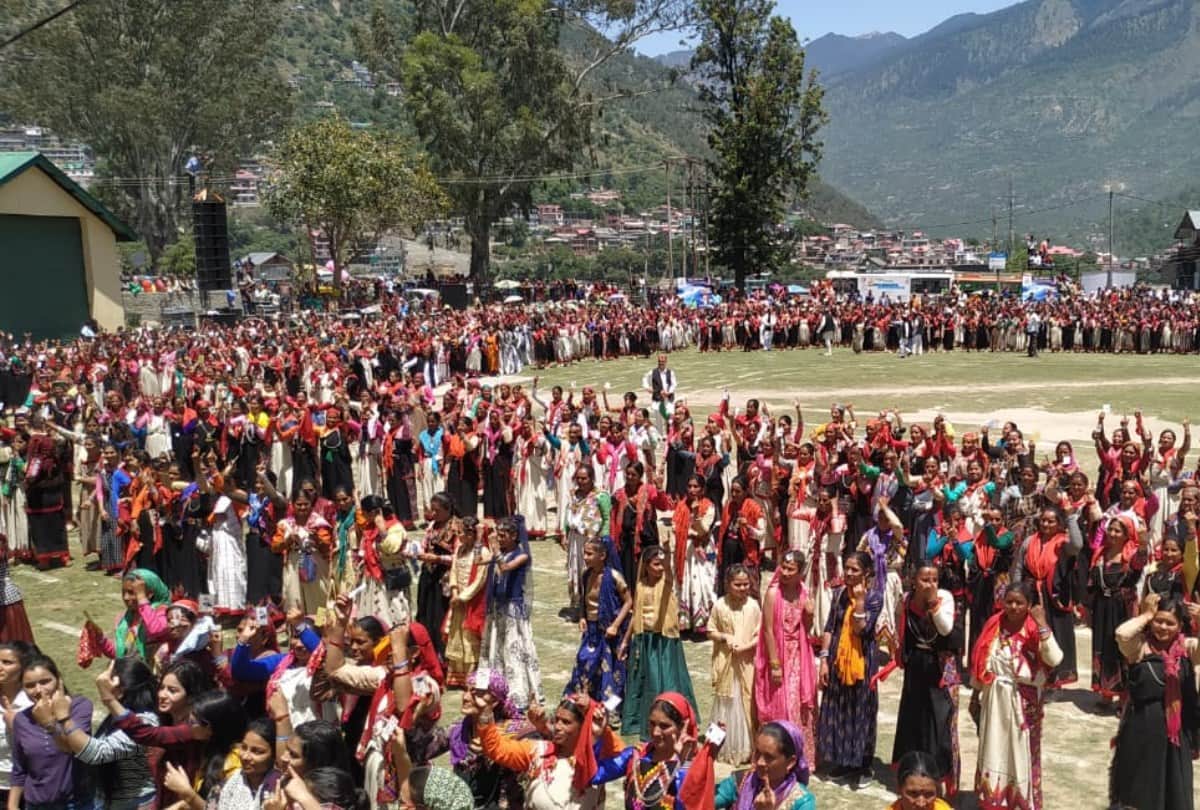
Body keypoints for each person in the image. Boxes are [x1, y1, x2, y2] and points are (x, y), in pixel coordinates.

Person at [970, 581, 1061, 810]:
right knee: (993, 746)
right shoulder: (993, 625)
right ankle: (994, 799)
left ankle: (1021, 800)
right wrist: (975, 695)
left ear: (1029, 605)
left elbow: (1054, 658)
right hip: (994, 700)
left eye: (1019, 602)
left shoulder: (1035, 629)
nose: (1013, 606)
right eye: (1008, 601)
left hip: (1023, 701)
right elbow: (981, 661)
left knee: (1022, 751)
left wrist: (1041, 624)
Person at [1110, 594, 1200, 810]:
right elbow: (1121, 634)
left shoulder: (1187, 648)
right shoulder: (1140, 647)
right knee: (1140, 787)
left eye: (1170, 623)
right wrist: (1147, 614)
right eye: (1159, 620)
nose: (1163, 627)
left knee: (1173, 789)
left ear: (1179, 626)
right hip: (1141, 728)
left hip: (1176, 734)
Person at [890, 564, 961, 799]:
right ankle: (911, 775)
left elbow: (945, 629)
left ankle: (938, 778)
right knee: (914, 722)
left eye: (934, 579)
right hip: (917, 668)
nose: (930, 584)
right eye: (924, 579)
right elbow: (902, 629)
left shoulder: (945, 598)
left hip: (939, 670)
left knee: (938, 724)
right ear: (914, 581)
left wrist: (932, 604)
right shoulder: (907, 600)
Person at [477, 694, 619, 810]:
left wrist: (600, 727)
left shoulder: (596, 759)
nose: (557, 726)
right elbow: (496, 749)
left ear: (582, 727)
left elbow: (618, 755)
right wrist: (485, 712)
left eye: (566, 722)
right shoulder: (537, 752)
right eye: (556, 720)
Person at [816, 550, 883, 789]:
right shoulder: (838, 595)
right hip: (836, 660)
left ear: (866, 573)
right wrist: (823, 659)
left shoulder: (875, 597)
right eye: (847, 568)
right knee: (840, 708)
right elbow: (829, 627)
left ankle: (863, 765)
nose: (850, 573)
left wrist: (861, 601)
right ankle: (843, 762)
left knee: (861, 709)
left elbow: (861, 629)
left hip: (862, 662)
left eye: (855, 569)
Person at [55, 658, 158, 810]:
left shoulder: (145, 721)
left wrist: (64, 718)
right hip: (113, 803)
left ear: (121, 689)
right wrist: (50, 725)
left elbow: (98, 753)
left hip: (136, 804)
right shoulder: (120, 716)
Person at [621, 547, 697, 739]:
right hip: (644, 640)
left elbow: (670, 576)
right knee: (643, 683)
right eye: (656, 564)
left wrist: (669, 557)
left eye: (662, 564)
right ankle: (641, 720)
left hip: (663, 641)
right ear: (645, 566)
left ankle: (672, 718)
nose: (660, 568)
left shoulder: (666, 583)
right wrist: (625, 640)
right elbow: (635, 614)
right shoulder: (640, 586)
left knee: (663, 680)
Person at [593, 692, 717, 810]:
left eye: (665, 726)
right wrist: (596, 736)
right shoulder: (636, 756)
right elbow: (594, 775)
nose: (656, 732)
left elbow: (691, 803)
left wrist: (684, 763)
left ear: (682, 727)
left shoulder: (693, 767)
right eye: (652, 724)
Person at [754, 550, 818, 762]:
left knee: (799, 702)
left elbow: (806, 629)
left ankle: (801, 755)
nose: (786, 572)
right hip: (779, 655)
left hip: (799, 654)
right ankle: (779, 753)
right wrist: (774, 664)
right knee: (782, 701)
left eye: (792, 569)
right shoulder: (773, 593)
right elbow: (768, 630)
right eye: (784, 567)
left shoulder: (803, 592)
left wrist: (809, 614)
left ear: (801, 572)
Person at [10, 653, 94, 810]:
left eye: (45, 682)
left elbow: (74, 748)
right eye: (30, 685)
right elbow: (19, 769)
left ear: (59, 680)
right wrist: (12, 805)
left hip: (76, 803)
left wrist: (49, 723)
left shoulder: (80, 707)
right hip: (36, 804)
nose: (39, 690)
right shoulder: (21, 719)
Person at [480, 515, 542, 709]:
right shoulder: (501, 552)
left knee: (514, 649)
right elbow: (477, 561)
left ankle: (518, 693)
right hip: (498, 608)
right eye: (498, 535)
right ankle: (496, 687)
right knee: (496, 648)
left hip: (513, 610)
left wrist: (496, 552)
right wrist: (478, 540)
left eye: (503, 535)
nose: (500, 539)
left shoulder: (522, 555)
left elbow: (505, 568)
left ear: (515, 536)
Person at [565, 537, 631, 711]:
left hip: (609, 632)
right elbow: (583, 600)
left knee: (610, 671)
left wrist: (615, 625)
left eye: (589, 553)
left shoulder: (614, 577)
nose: (585, 557)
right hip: (591, 631)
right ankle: (583, 699)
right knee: (584, 663)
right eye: (584, 553)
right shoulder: (586, 575)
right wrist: (582, 617)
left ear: (602, 556)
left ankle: (610, 708)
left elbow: (629, 602)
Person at [1087, 514, 1147, 703]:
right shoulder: (1100, 554)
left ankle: (1123, 698)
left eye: (1117, 530)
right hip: (1102, 608)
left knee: (1121, 648)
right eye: (1110, 529)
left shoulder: (1131, 555)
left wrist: (1144, 542)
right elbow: (1092, 583)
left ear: (1126, 534)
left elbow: (1141, 560)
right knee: (1103, 647)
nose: (1112, 533)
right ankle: (1106, 694)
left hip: (1123, 608)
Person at [707, 566, 760, 766]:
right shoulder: (720, 606)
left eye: (746, 584)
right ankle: (720, 746)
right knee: (724, 705)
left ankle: (746, 749)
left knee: (746, 704)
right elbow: (711, 630)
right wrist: (725, 638)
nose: (742, 588)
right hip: (726, 663)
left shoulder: (753, 606)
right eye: (737, 584)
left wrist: (745, 647)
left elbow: (759, 634)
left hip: (747, 663)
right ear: (727, 585)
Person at [715, 721, 815, 810]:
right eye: (758, 753)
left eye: (769, 757)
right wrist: (708, 755)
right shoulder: (741, 781)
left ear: (790, 762)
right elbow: (704, 801)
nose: (759, 762)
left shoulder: (802, 802)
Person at [674, 475, 718, 634]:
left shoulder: (708, 506)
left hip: (702, 548)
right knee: (685, 581)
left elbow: (703, 530)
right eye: (690, 486)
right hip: (685, 549)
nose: (692, 490)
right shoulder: (680, 506)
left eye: (696, 487)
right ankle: (686, 621)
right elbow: (674, 525)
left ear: (702, 489)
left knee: (703, 582)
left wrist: (695, 513)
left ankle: (702, 621)